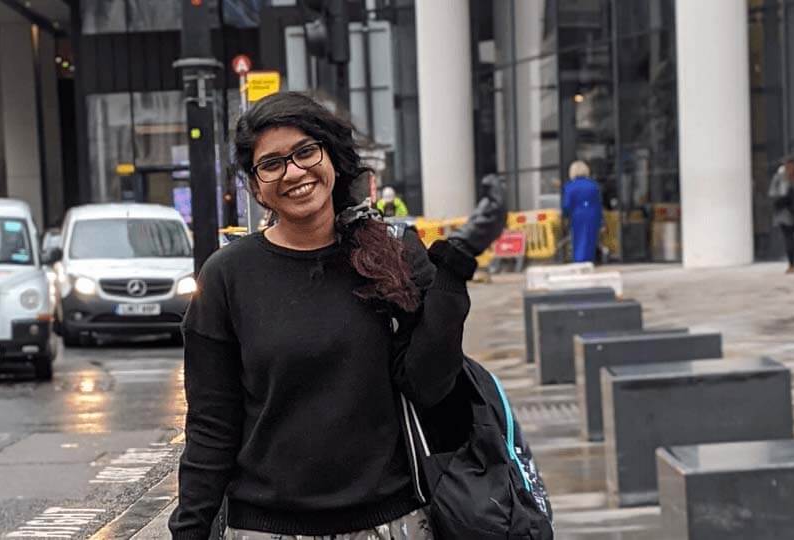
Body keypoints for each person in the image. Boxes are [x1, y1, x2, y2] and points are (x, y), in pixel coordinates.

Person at [168, 92, 506, 540]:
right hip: (266, 528)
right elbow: (211, 428)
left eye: (306, 151)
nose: (294, 172)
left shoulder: (391, 254)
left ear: (331, 155)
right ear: (255, 186)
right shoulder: (228, 276)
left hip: (391, 525)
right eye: (271, 164)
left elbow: (431, 385)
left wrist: (453, 270)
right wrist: (189, 530)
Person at [561, 160, 604, 263]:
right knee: (590, 238)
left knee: (578, 238)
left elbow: (567, 205)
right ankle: (589, 260)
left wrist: (565, 215)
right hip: (593, 214)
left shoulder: (570, 186)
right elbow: (598, 203)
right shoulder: (593, 185)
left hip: (578, 214)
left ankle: (579, 260)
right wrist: (601, 220)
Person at [768, 157, 794, 273]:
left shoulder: (780, 176)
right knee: (790, 238)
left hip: (785, 213)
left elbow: (773, 194)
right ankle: (792, 265)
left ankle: (792, 265)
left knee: (789, 238)